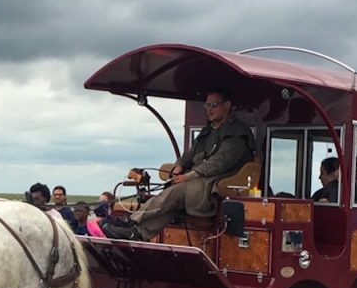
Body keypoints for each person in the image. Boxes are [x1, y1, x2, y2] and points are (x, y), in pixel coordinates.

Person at [102, 90, 256, 240]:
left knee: (179, 191)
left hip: (214, 188)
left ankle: (132, 221)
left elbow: (220, 162)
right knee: (173, 199)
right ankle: (137, 233)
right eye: (207, 105)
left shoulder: (237, 133)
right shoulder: (208, 131)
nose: (209, 109)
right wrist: (179, 165)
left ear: (227, 105)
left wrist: (188, 176)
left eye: (214, 105)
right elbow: (190, 154)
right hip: (197, 184)